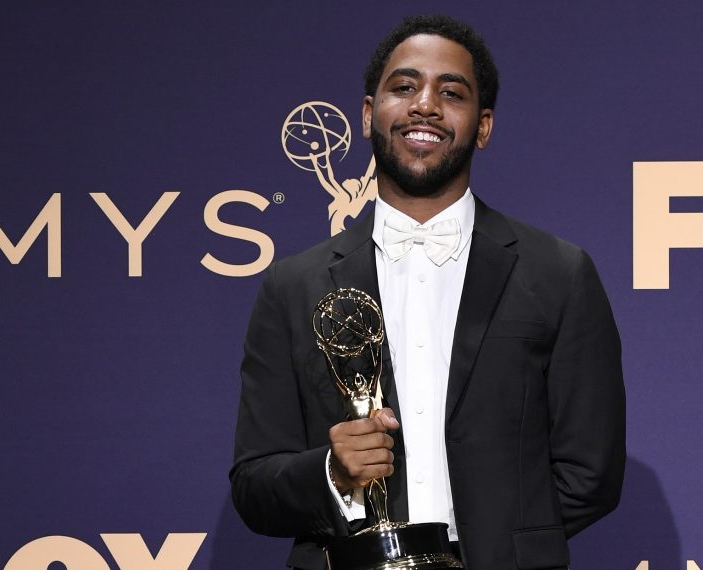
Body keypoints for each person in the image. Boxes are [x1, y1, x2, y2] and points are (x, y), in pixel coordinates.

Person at [231, 15, 625, 570]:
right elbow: (254, 484)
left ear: (482, 126)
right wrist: (332, 473)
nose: (425, 106)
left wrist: (495, 545)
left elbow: (592, 472)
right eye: (405, 87)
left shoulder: (557, 273)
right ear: (369, 114)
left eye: (452, 92)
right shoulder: (293, 286)